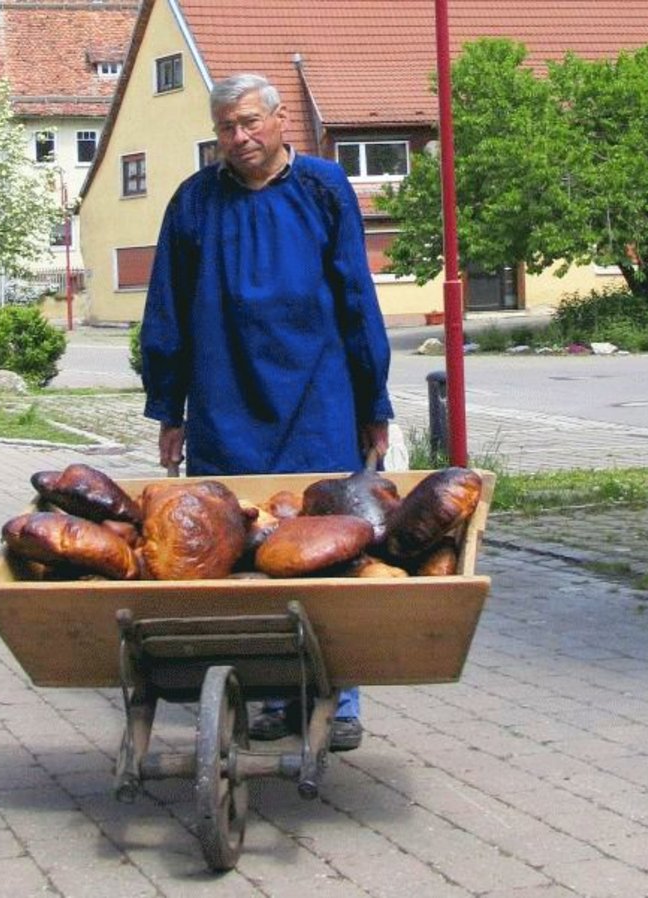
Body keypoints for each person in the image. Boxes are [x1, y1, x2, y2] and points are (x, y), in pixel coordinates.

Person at [140, 73, 394, 752]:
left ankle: (339, 699)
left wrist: (375, 401)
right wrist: (170, 407)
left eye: (250, 123)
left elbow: (355, 296)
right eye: (226, 128)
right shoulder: (195, 202)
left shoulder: (322, 189)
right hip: (226, 403)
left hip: (321, 397)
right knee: (238, 549)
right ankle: (269, 691)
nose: (239, 138)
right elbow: (167, 308)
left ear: (282, 122)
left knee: (331, 543)